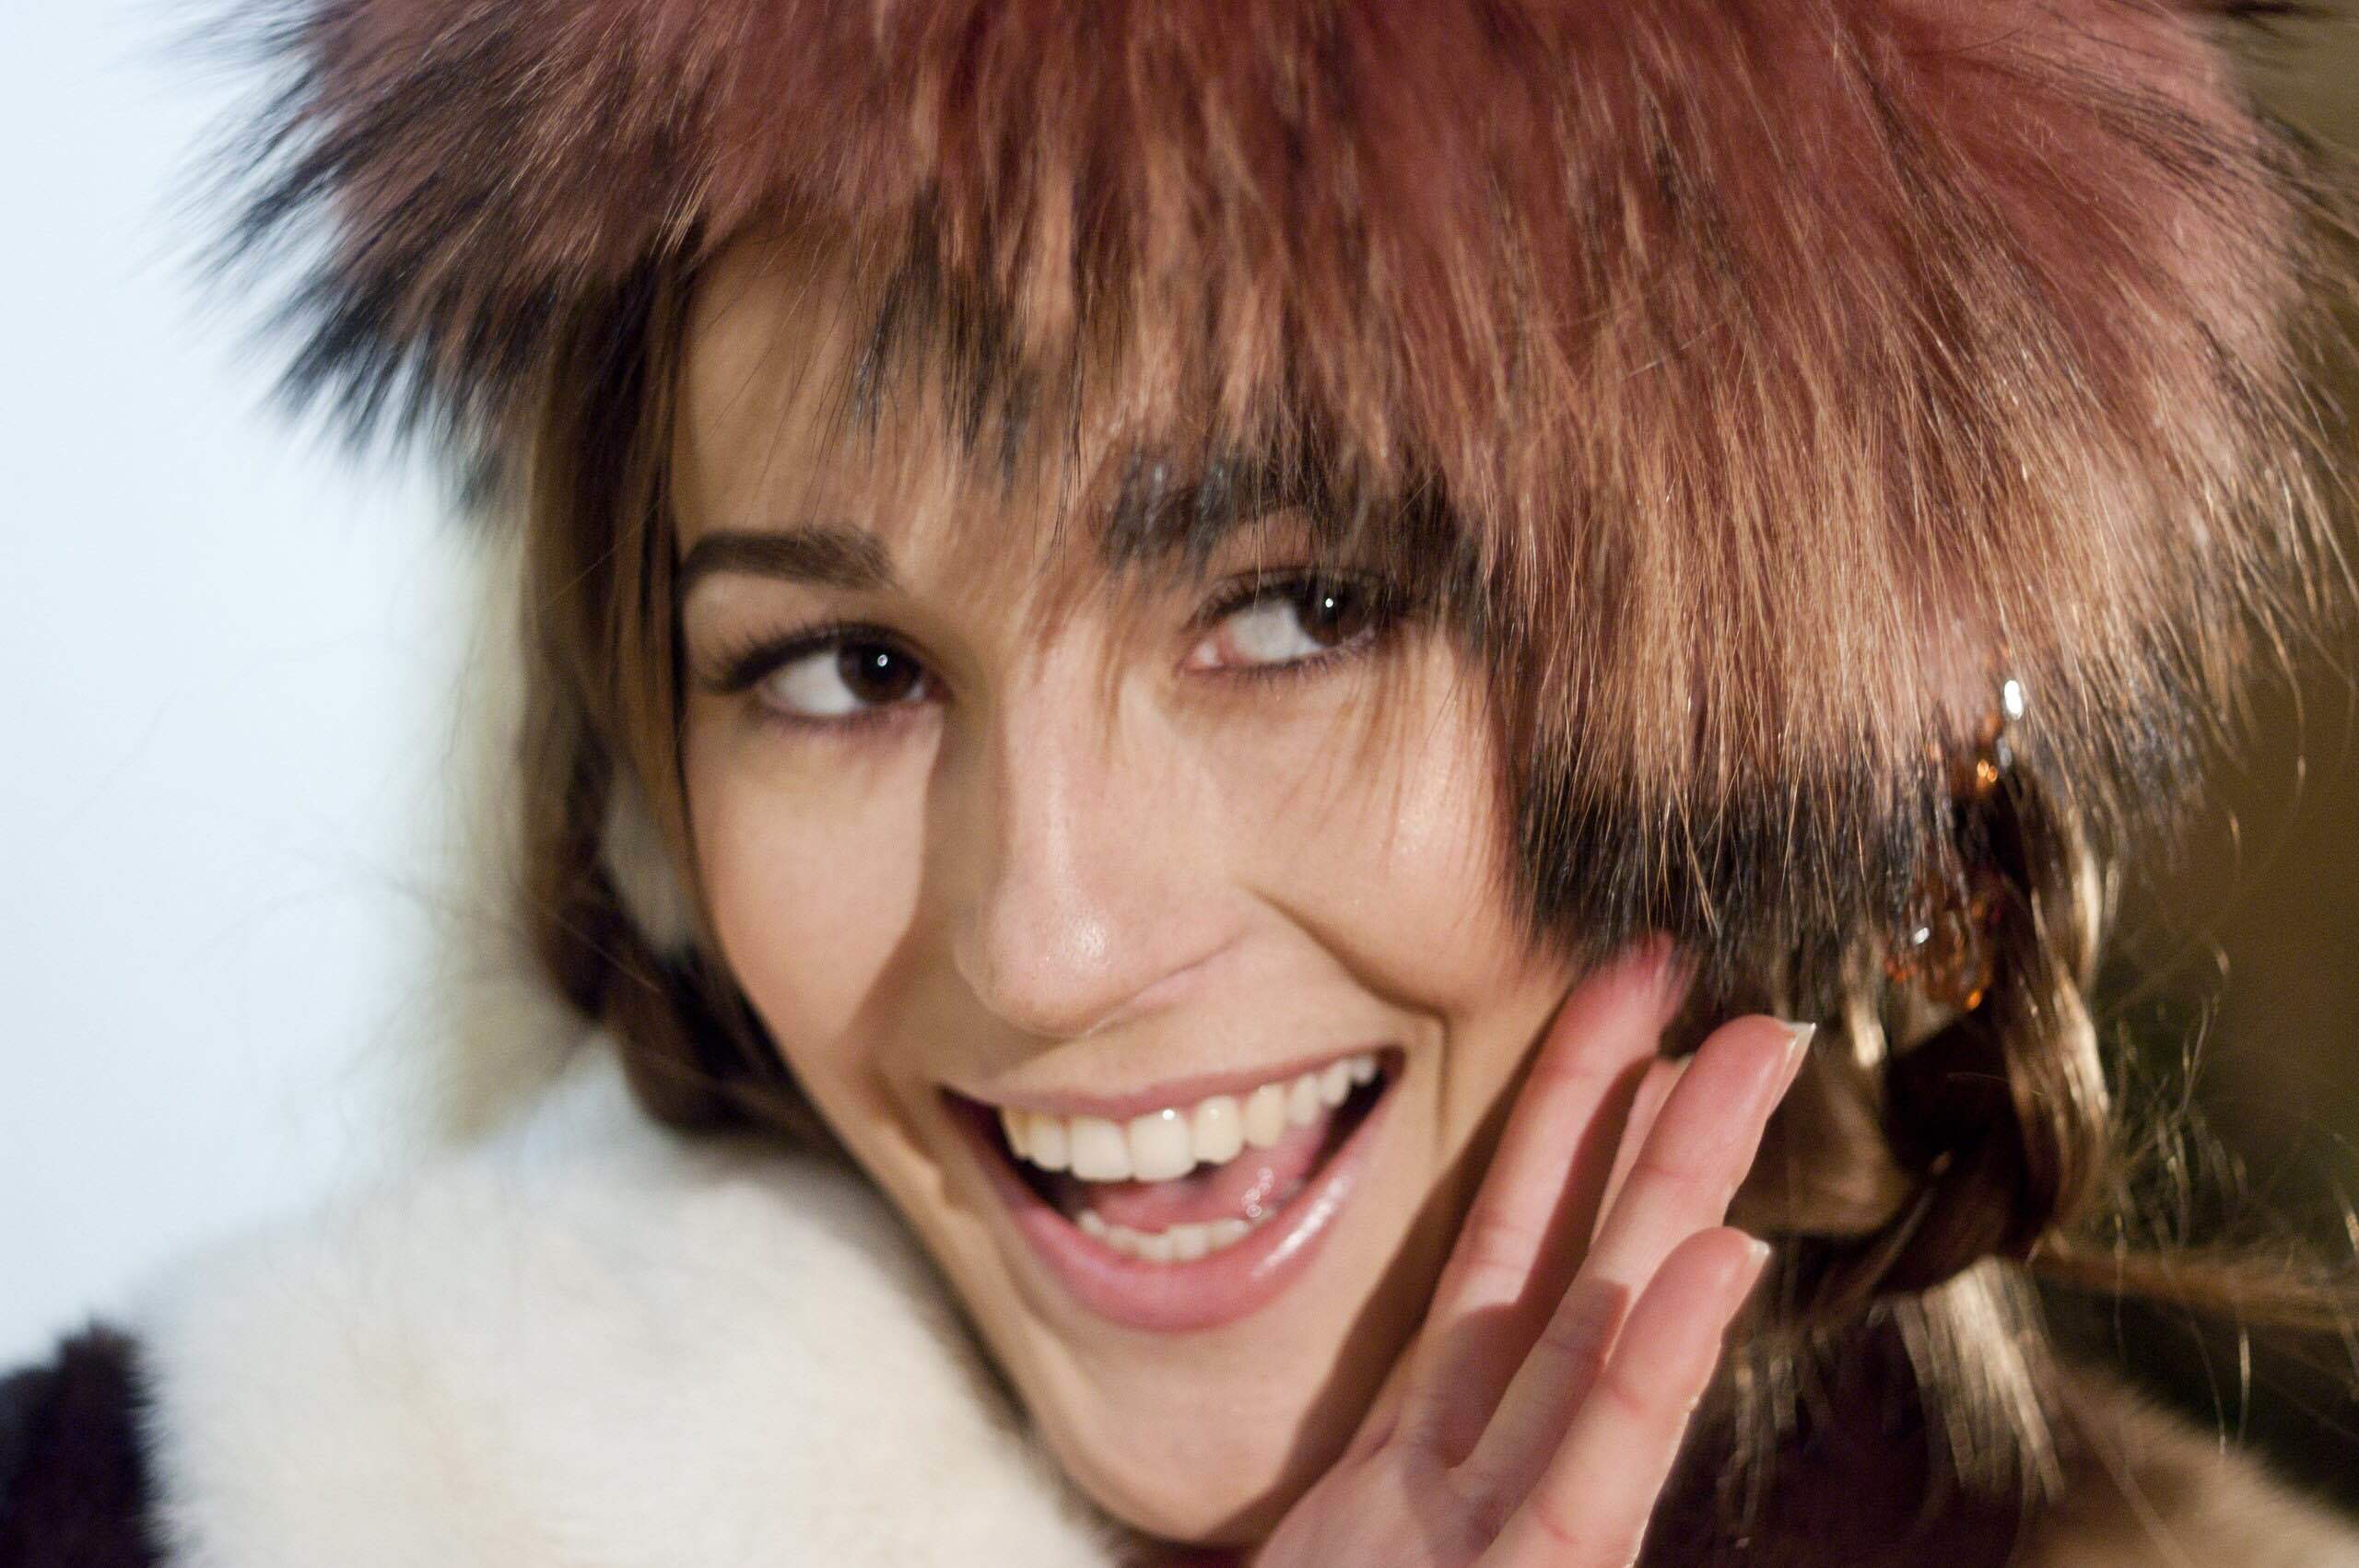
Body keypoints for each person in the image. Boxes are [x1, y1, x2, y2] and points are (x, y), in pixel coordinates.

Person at [5, 1, 2357, 1563]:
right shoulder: (228, 1503)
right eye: (844, 666)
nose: (1043, 939)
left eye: (1298, 609)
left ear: (1783, 675)